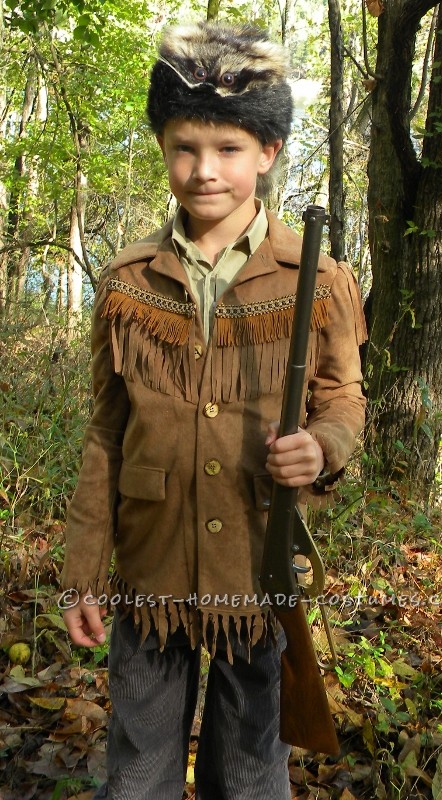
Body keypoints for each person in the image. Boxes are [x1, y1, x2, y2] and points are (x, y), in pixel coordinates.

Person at [60, 20, 367, 800]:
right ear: (163, 148)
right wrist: (84, 572)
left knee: (252, 768)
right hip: (151, 569)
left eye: (228, 149)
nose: (204, 171)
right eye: (184, 147)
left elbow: (341, 399)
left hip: (254, 569)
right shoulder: (128, 281)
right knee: (137, 770)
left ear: (265, 154)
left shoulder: (318, 279)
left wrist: (324, 446)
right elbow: (106, 432)